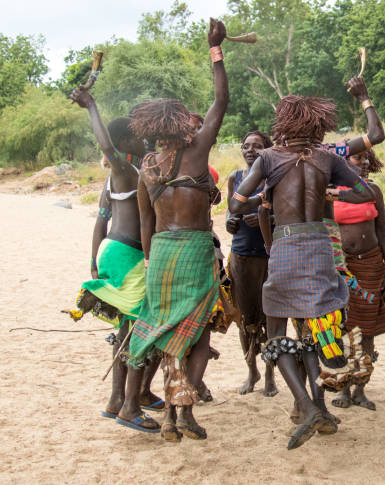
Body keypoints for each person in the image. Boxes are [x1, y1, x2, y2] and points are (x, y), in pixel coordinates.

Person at [229, 94, 376, 450]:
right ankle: (318, 407)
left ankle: (308, 407)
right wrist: (328, 192)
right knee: (314, 329)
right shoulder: (328, 158)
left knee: (277, 332)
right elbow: (366, 192)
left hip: (287, 246)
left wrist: (266, 197)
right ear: (317, 126)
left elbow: (237, 200)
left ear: (283, 125)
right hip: (321, 248)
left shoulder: (268, 158)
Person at [126, 18, 229, 442]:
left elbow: (146, 224)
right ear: (181, 126)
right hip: (193, 250)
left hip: (162, 257)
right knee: (199, 333)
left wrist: (151, 264)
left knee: (165, 332)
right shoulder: (195, 153)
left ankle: (170, 415)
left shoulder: (147, 168)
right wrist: (215, 50)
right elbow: (221, 100)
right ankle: (181, 414)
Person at [66, 89, 163, 431]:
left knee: (124, 330)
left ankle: (114, 401)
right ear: (125, 141)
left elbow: (100, 219)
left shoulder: (118, 177)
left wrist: (94, 260)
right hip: (128, 254)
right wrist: (92, 105)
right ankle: (130, 408)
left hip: (113, 250)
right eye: (139, 135)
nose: (146, 139)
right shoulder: (123, 170)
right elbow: (107, 147)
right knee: (138, 330)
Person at [330, 149, 385, 411]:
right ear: (344, 162)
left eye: (367, 159)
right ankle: (343, 387)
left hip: (370, 264)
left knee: (366, 327)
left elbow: (381, 229)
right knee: (341, 326)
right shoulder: (329, 191)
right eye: (358, 158)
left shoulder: (373, 190)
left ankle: (360, 388)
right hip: (339, 267)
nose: (365, 162)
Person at [226, 130, 278, 396]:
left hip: (269, 256)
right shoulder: (235, 178)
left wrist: (265, 221)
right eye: (246, 146)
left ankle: (270, 375)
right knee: (246, 318)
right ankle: (252, 371)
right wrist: (230, 222)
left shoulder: (273, 179)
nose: (250, 150)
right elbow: (228, 213)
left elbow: (283, 215)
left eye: (256, 146)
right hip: (242, 255)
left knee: (270, 317)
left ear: (267, 150)